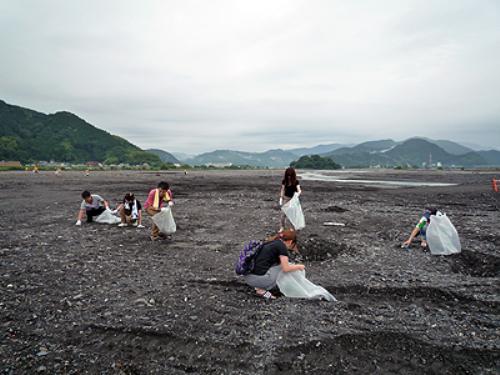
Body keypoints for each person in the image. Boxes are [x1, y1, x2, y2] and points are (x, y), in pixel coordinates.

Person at [244, 230, 305, 300]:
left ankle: (260, 289)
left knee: (275, 266)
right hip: (259, 280)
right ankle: (267, 287)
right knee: (283, 267)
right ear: (291, 242)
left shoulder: (271, 243)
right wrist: (299, 266)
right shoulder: (282, 247)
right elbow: (286, 268)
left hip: (248, 277)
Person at [279, 167, 302, 231]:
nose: (289, 177)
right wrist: (281, 198)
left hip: (293, 200)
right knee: (283, 215)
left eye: (290, 175)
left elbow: (299, 190)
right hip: (286, 199)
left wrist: (297, 194)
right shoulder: (284, 181)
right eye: (288, 175)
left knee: (292, 215)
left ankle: (292, 227)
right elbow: (282, 190)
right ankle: (282, 227)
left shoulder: (296, 182)